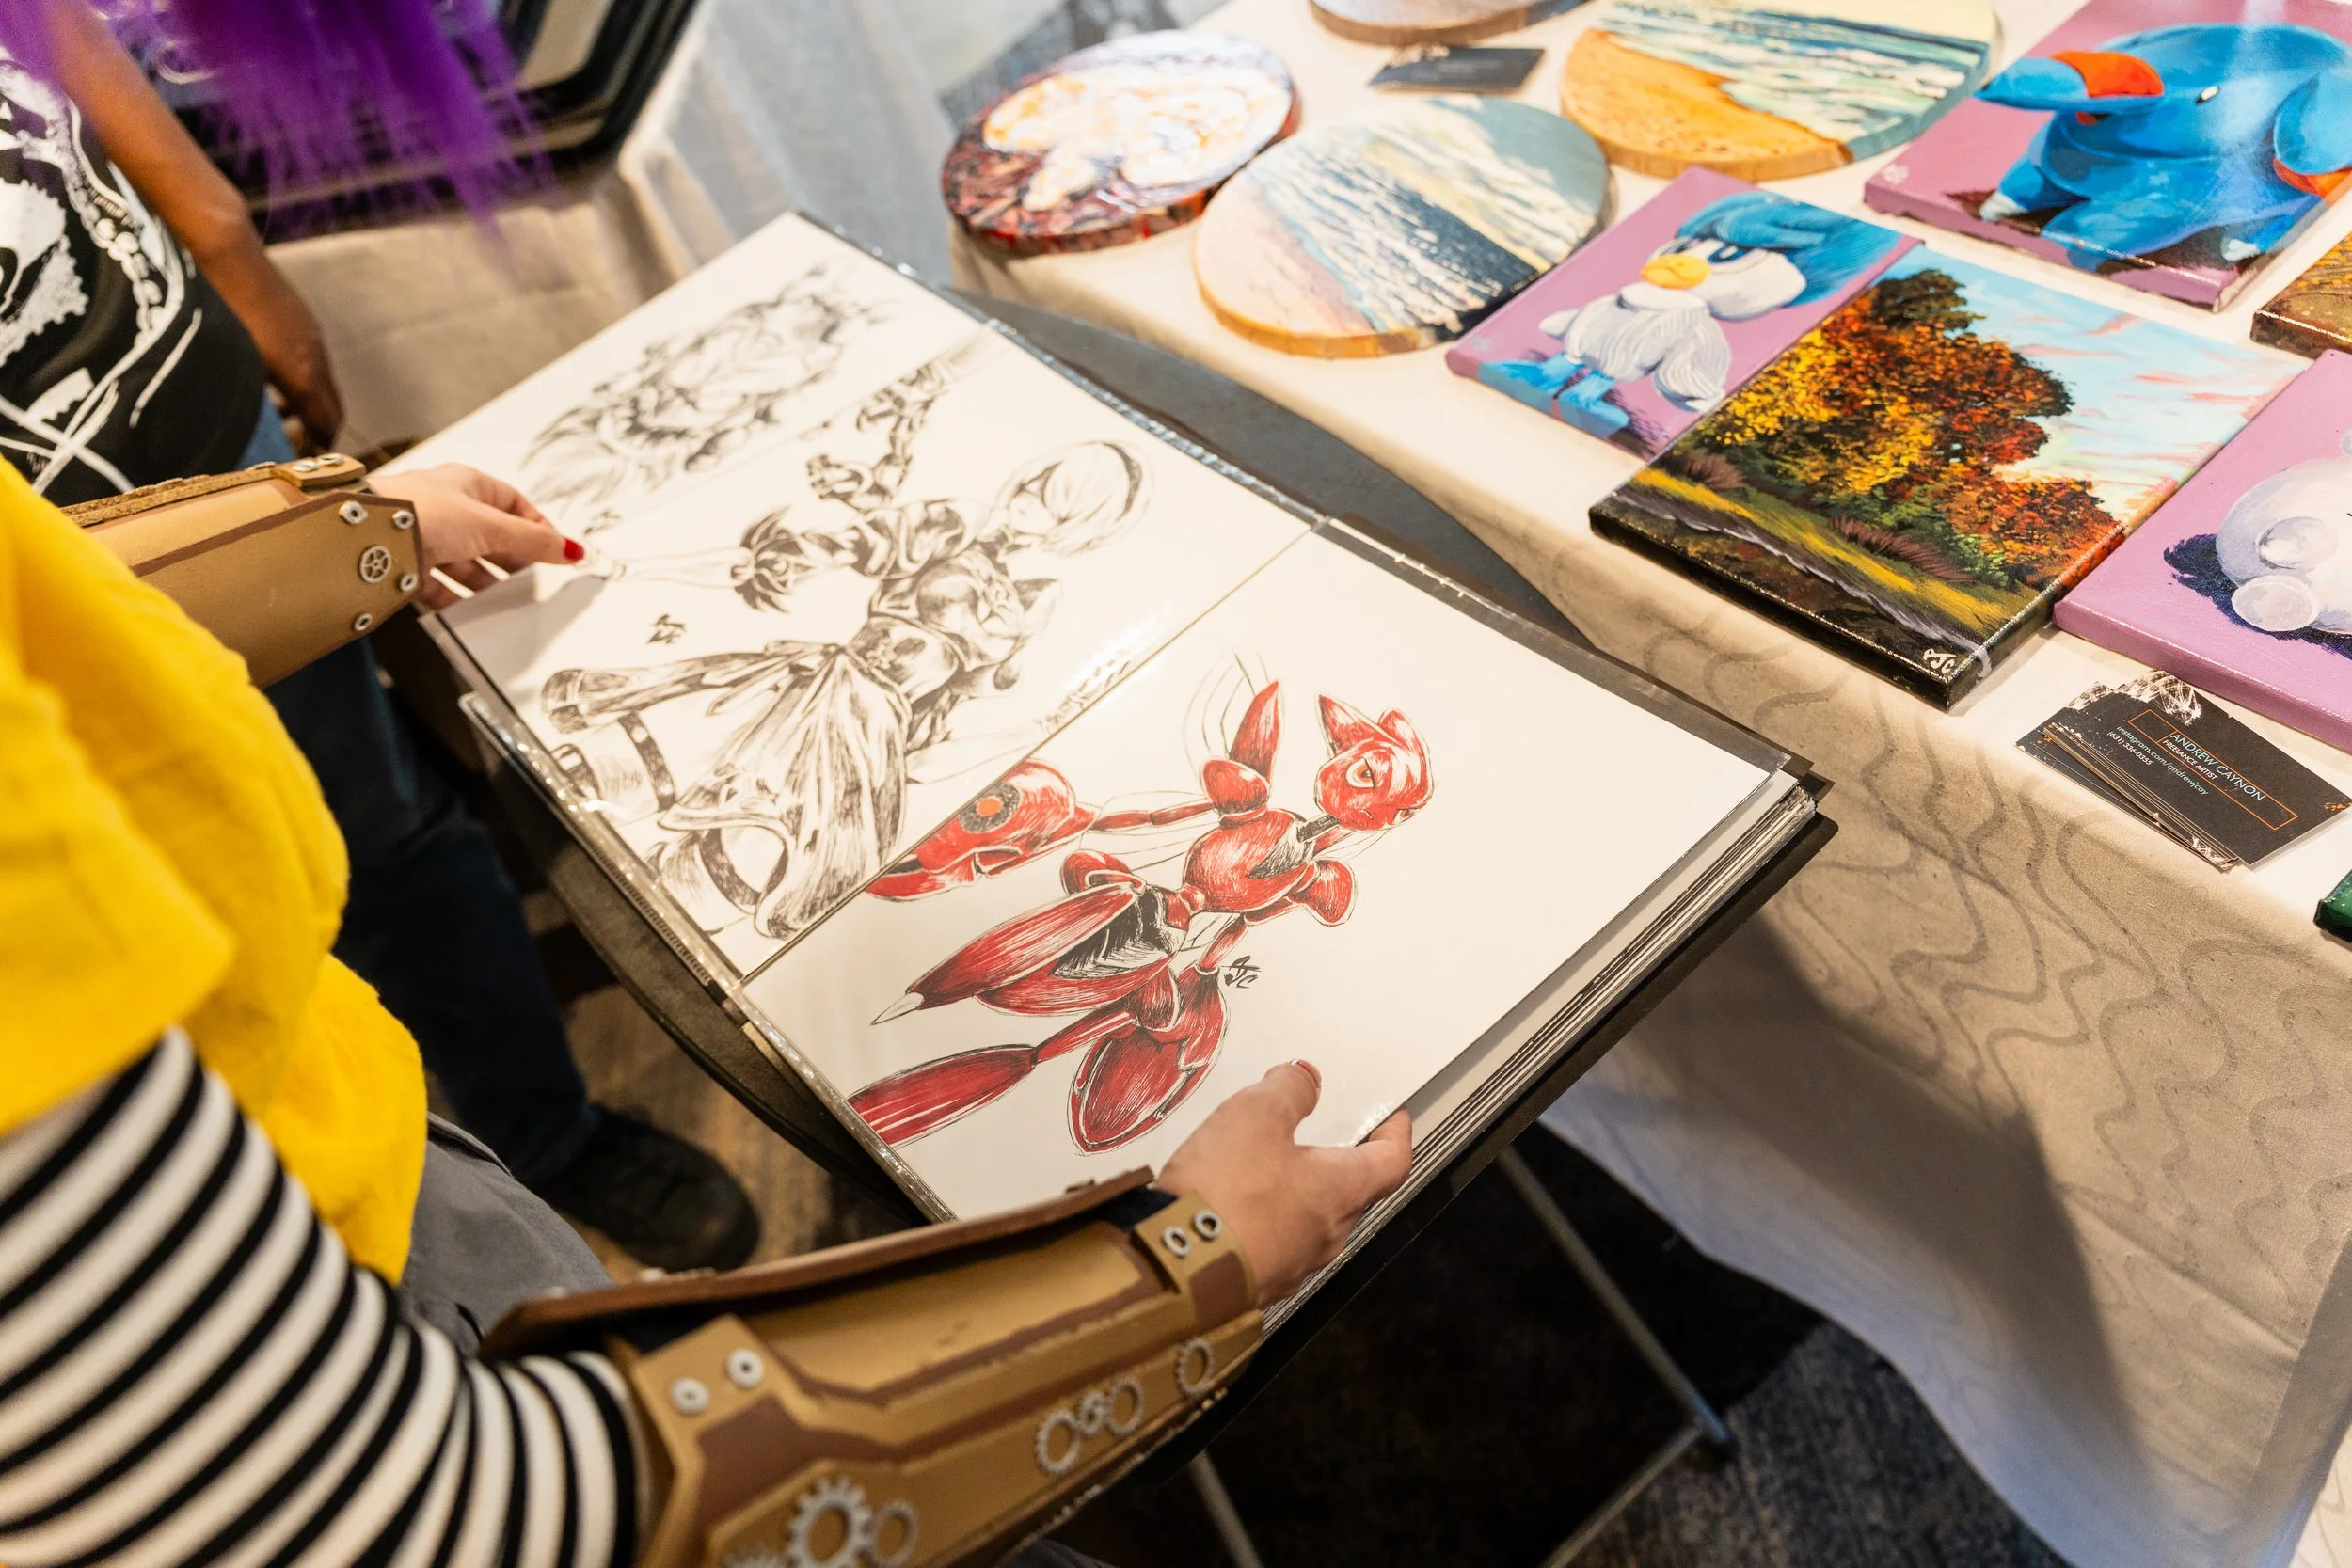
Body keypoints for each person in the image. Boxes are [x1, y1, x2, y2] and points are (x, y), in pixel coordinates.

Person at [0, 452, 1414, 1564]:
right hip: (369, 1354)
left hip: (322, 1134)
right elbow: (441, 1521)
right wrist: (1173, 1270)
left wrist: (346, 539)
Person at [0, 0, 757, 1269]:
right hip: (53, 646)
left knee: (388, 825)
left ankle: (544, 1130)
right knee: (196, 920)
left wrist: (224, 240)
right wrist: (346, 541)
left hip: (191, 416)